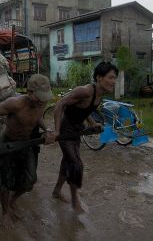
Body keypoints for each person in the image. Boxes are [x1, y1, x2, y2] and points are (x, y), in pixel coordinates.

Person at [0, 74, 55, 229]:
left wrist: (47, 129)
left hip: (25, 144)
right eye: (39, 98)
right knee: (5, 181)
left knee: (30, 179)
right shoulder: (16, 104)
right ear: (29, 92)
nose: (42, 101)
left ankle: (13, 201)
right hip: (8, 143)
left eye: (44, 98)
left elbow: (37, 117)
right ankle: (5, 212)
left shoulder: (42, 103)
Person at [52, 61, 118, 214]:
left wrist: (93, 124)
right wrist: (56, 131)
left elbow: (85, 110)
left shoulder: (100, 94)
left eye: (115, 78)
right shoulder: (85, 91)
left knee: (68, 161)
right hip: (65, 130)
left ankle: (56, 191)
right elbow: (60, 104)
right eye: (111, 77)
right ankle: (75, 199)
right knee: (76, 164)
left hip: (77, 129)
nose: (114, 82)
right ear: (99, 78)